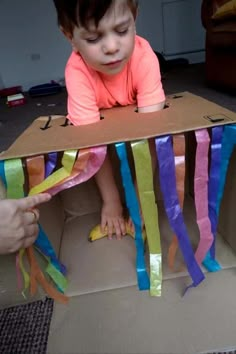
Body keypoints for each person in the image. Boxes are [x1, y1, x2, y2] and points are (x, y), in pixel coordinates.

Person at [53, 0, 165, 239]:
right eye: (93, 39)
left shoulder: (145, 57)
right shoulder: (77, 71)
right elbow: (92, 142)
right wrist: (111, 201)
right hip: (97, 126)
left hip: (140, 120)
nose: (112, 47)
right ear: (70, 36)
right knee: (90, 138)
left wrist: (141, 197)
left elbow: (153, 135)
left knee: (153, 133)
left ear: (134, 17)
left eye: (122, 31)